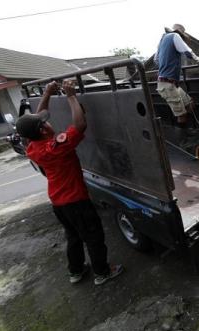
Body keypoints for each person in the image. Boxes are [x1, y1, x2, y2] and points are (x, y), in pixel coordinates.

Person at [16, 80, 123, 285]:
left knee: (74, 237)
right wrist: (71, 96)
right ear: (43, 130)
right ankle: (102, 273)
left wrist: (47, 92)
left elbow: (39, 117)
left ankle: (76, 271)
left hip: (58, 203)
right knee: (93, 237)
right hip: (76, 201)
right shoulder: (55, 147)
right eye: (44, 122)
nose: (48, 120)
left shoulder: (33, 146)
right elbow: (80, 125)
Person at [155, 23, 199, 127]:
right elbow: (187, 51)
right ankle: (184, 141)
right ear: (180, 34)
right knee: (182, 115)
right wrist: (198, 60)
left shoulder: (162, 41)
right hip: (167, 84)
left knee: (190, 104)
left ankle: (189, 131)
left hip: (171, 83)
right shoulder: (174, 36)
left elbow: (156, 60)